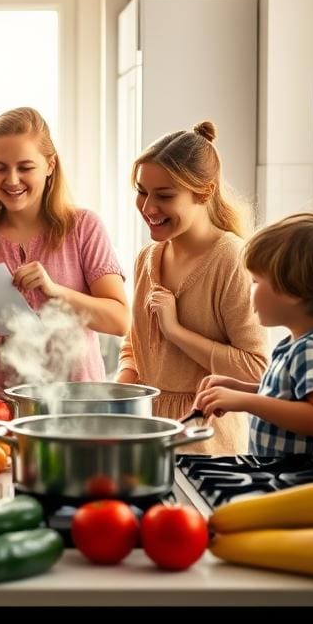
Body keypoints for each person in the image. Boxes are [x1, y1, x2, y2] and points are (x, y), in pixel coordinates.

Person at [0, 107, 130, 411]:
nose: (11, 179)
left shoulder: (84, 227)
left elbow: (120, 320)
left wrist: (56, 292)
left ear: (50, 165)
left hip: (75, 406)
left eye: (25, 167)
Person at [116, 121, 267, 455]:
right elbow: (135, 347)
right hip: (148, 436)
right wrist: (115, 402)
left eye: (164, 195)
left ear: (205, 192)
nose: (148, 207)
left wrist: (175, 331)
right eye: (141, 191)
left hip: (206, 442)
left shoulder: (231, 259)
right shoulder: (148, 258)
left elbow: (256, 369)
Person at [195, 213, 313, 459]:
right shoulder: (304, 342)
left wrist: (244, 401)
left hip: (305, 485)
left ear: (292, 291)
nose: (250, 291)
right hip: (286, 478)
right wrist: (243, 389)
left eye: (255, 281)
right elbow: (292, 398)